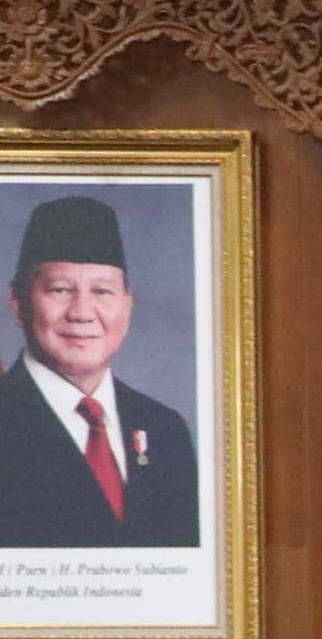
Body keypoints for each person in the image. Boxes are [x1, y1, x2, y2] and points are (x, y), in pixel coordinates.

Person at [0, 193, 201, 550]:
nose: (82, 312)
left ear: (127, 305)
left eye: (102, 291)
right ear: (18, 303)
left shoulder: (164, 430)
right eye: (60, 290)